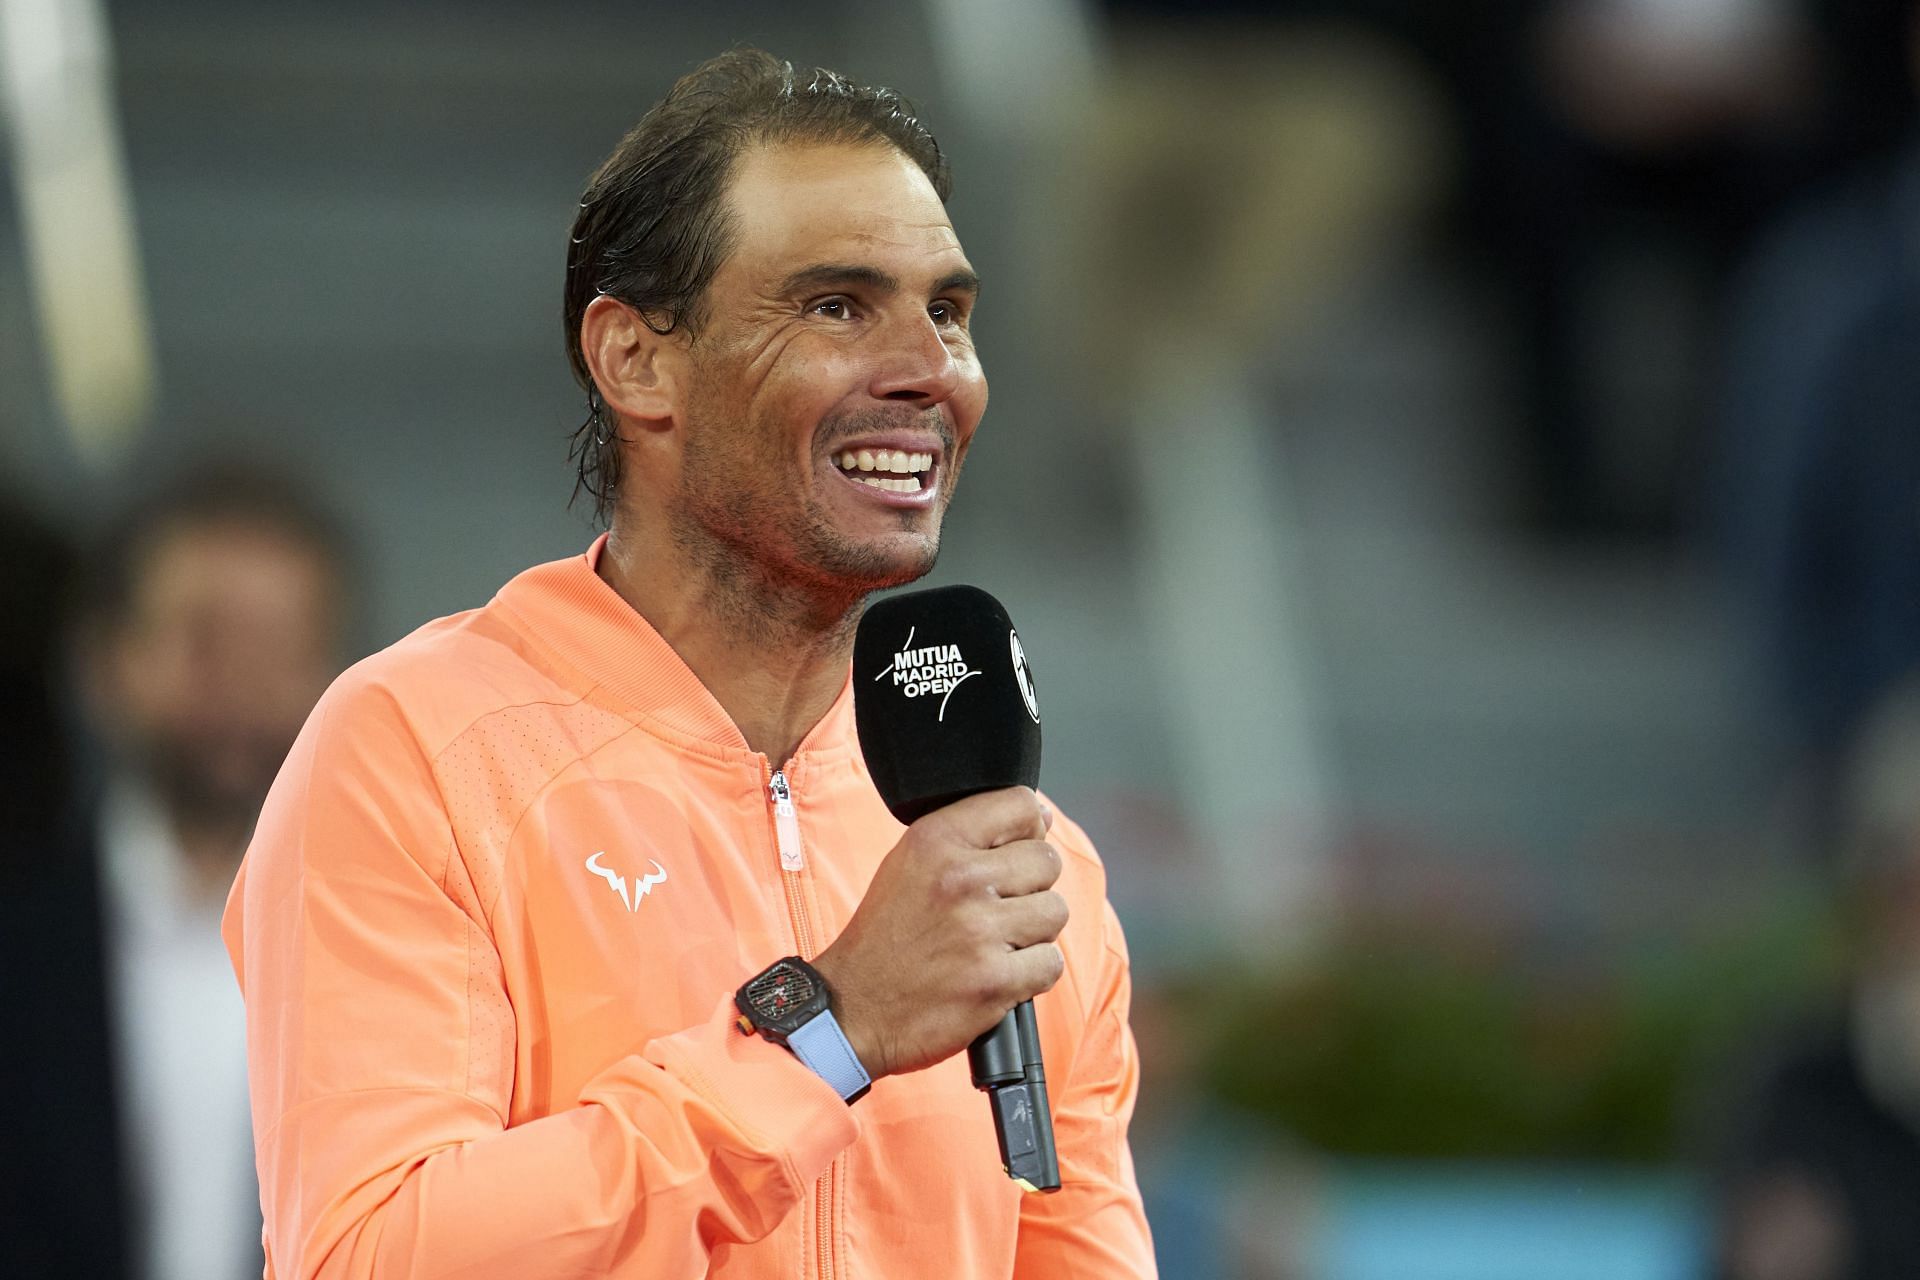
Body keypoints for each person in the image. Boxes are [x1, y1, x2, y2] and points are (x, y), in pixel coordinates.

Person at [224, 48, 1157, 1279]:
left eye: (948, 310)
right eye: (836, 305)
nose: (930, 370)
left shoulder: (1014, 862)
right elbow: (372, 1252)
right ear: (635, 360)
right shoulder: (414, 752)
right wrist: (825, 1032)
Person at [1, 464, 355, 1280]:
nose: (244, 686)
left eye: (283, 647)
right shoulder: (20, 939)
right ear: (102, 661)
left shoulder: (420, 953)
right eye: (205, 639)